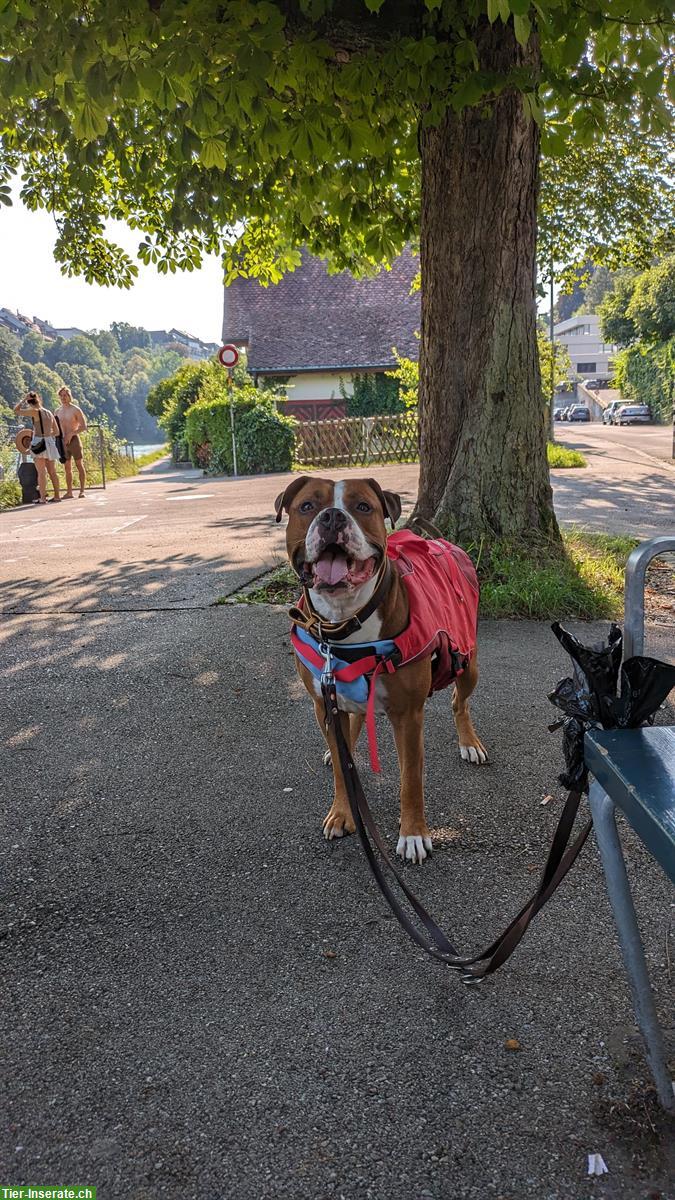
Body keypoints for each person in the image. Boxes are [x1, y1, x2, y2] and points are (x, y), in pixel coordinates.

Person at [13, 391, 61, 504]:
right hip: (49, 441)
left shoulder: (35, 411)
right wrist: (48, 436)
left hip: (39, 442)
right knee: (52, 472)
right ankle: (57, 496)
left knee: (41, 472)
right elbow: (57, 432)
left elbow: (16, 410)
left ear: (30, 402)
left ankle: (43, 498)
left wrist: (23, 399)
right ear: (38, 399)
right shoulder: (49, 412)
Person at [55, 386, 88, 498]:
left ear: (69, 396)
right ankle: (69, 492)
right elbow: (56, 428)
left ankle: (82, 490)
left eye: (65, 395)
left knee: (79, 464)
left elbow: (84, 427)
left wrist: (72, 433)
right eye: (61, 395)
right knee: (67, 467)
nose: (63, 397)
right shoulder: (57, 411)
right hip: (63, 442)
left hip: (74, 440)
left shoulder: (75, 409)